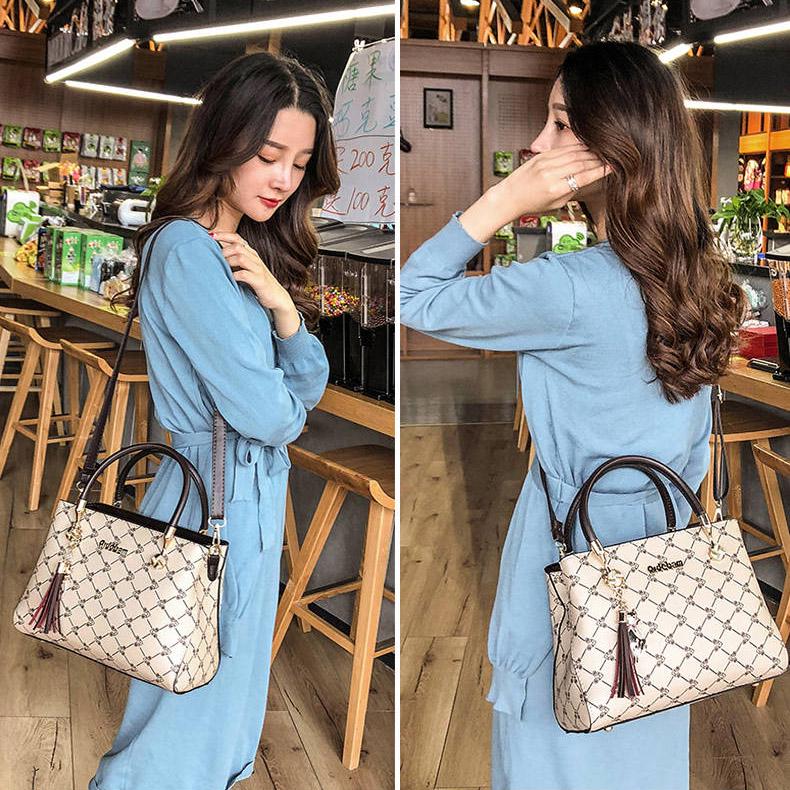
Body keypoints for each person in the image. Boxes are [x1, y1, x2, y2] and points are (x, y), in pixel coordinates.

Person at [399, 41, 745, 790]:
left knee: (555, 742)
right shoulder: (699, 273)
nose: (537, 144)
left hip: (571, 538)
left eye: (559, 124)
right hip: (669, 550)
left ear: (612, 150)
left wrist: (504, 200)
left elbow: (413, 294)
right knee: (644, 726)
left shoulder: (567, 288)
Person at [90, 51, 338, 790]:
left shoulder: (233, 250)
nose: (284, 178)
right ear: (225, 140)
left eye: (299, 163)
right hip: (216, 493)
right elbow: (274, 414)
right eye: (268, 155)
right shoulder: (187, 252)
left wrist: (283, 307)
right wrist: (283, 400)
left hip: (237, 490)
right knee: (189, 702)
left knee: (215, 690)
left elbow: (306, 387)